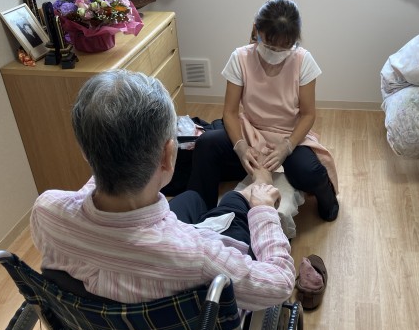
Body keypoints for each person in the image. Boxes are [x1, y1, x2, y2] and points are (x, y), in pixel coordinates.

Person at [30, 69, 295, 311]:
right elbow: (280, 283)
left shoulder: (47, 211)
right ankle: (254, 194)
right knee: (239, 201)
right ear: (168, 155)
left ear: (85, 153)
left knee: (191, 199)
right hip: (187, 310)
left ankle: (229, 204)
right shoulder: (199, 258)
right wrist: (262, 210)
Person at [187, 0, 339, 221]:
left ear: (294, 41)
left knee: (308, 172)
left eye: (284, 47)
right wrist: (240, 147)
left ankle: (329, 201)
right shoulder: (240, 58)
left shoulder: (303, 60)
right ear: (257, 31)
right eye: (269, 46)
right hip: (250, 130)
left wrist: (287, 147)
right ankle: (199, 211)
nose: (275, 53)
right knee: (206, 144)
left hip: (288, 134)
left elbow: (308, 115)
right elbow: (230, 113)